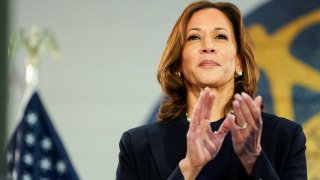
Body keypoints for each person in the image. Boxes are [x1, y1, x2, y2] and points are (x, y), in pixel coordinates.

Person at [116, 1, 307, 179]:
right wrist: (189, 168)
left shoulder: (285, 137)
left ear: (239, 62)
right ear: (178, 63)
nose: (208, 46)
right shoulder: (138, 145)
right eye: (194, 37)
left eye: (220, 37)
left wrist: (254, 160)